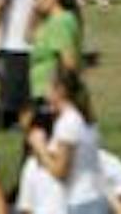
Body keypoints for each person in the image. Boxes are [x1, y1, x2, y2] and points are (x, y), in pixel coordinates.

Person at [24, 68, 106, 214]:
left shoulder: (68, 122)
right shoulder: (85, 118)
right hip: (94, 195)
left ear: (60, 90)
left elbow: (61, 171)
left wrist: (40, 147)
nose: (45, 93)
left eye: (48, 87)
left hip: (81, 201)